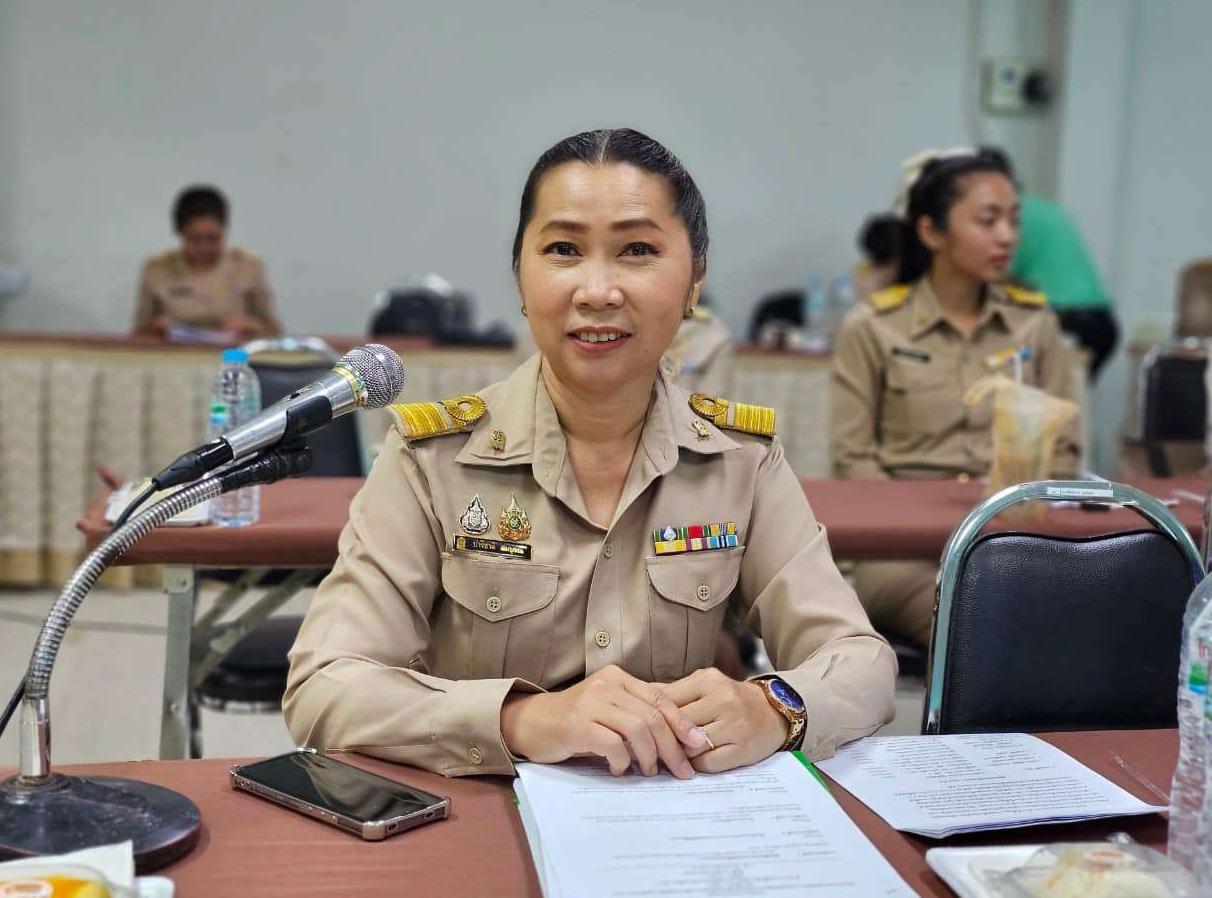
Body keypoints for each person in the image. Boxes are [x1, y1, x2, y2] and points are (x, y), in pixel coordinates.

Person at [285, 128, 895, 780]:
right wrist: (521, 719)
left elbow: (860, 660)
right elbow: (326, 684)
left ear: (694, 282)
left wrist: (773, 707)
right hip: (484, 811)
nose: (597, 291)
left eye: (637, 250)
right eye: (563, 250)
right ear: (521, 277)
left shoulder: (739, 459)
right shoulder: (431, 459)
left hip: (678, 813)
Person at [831, 148, 1082, 648]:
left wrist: (1009, 519)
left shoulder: (1034, 325)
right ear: (931, 232)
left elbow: (1064, 453)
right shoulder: (874, 327)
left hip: (1014, 538)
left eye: (1013, 220)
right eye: (987, 221)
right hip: (903, 553)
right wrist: (925, 527)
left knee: (1082, 616)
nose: (1007, 236)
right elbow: (854, 459)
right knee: (977, 623)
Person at [984, 148, 1117, 380]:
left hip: (1066, 323)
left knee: (993, 367)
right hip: (1099, 323)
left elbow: (994, 276)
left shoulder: (1012, 215)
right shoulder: (1041, 208)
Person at [132, 185, 282, 339]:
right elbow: (137, 335)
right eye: (195, 239)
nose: (205, 247)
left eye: (213, 238)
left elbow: (274, 332)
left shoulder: (248, 267)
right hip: (174, 352)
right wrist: (155, 328)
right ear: (180, 233)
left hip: (232, 353)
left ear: (224, 230)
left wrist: (250, 325)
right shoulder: (157, 269)